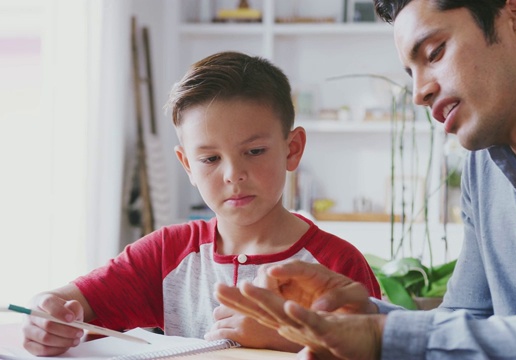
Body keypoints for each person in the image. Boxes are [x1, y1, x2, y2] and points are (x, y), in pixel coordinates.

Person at [215, 0, 516, 358]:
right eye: (410, 72)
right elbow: (465, 321)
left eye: (434, 52)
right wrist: (363, 317)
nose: (419, 92)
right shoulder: (484, 164)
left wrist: (383, 338)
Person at [20, 51, 381, 356]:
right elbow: (67, 303)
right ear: (187, 165)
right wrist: (44, 315)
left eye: (254, 151)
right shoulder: (166, 252)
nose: (233, 175)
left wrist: (285, 336)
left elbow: (378, 349)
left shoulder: (337, 265)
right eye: (210, 159)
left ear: (293, 148)